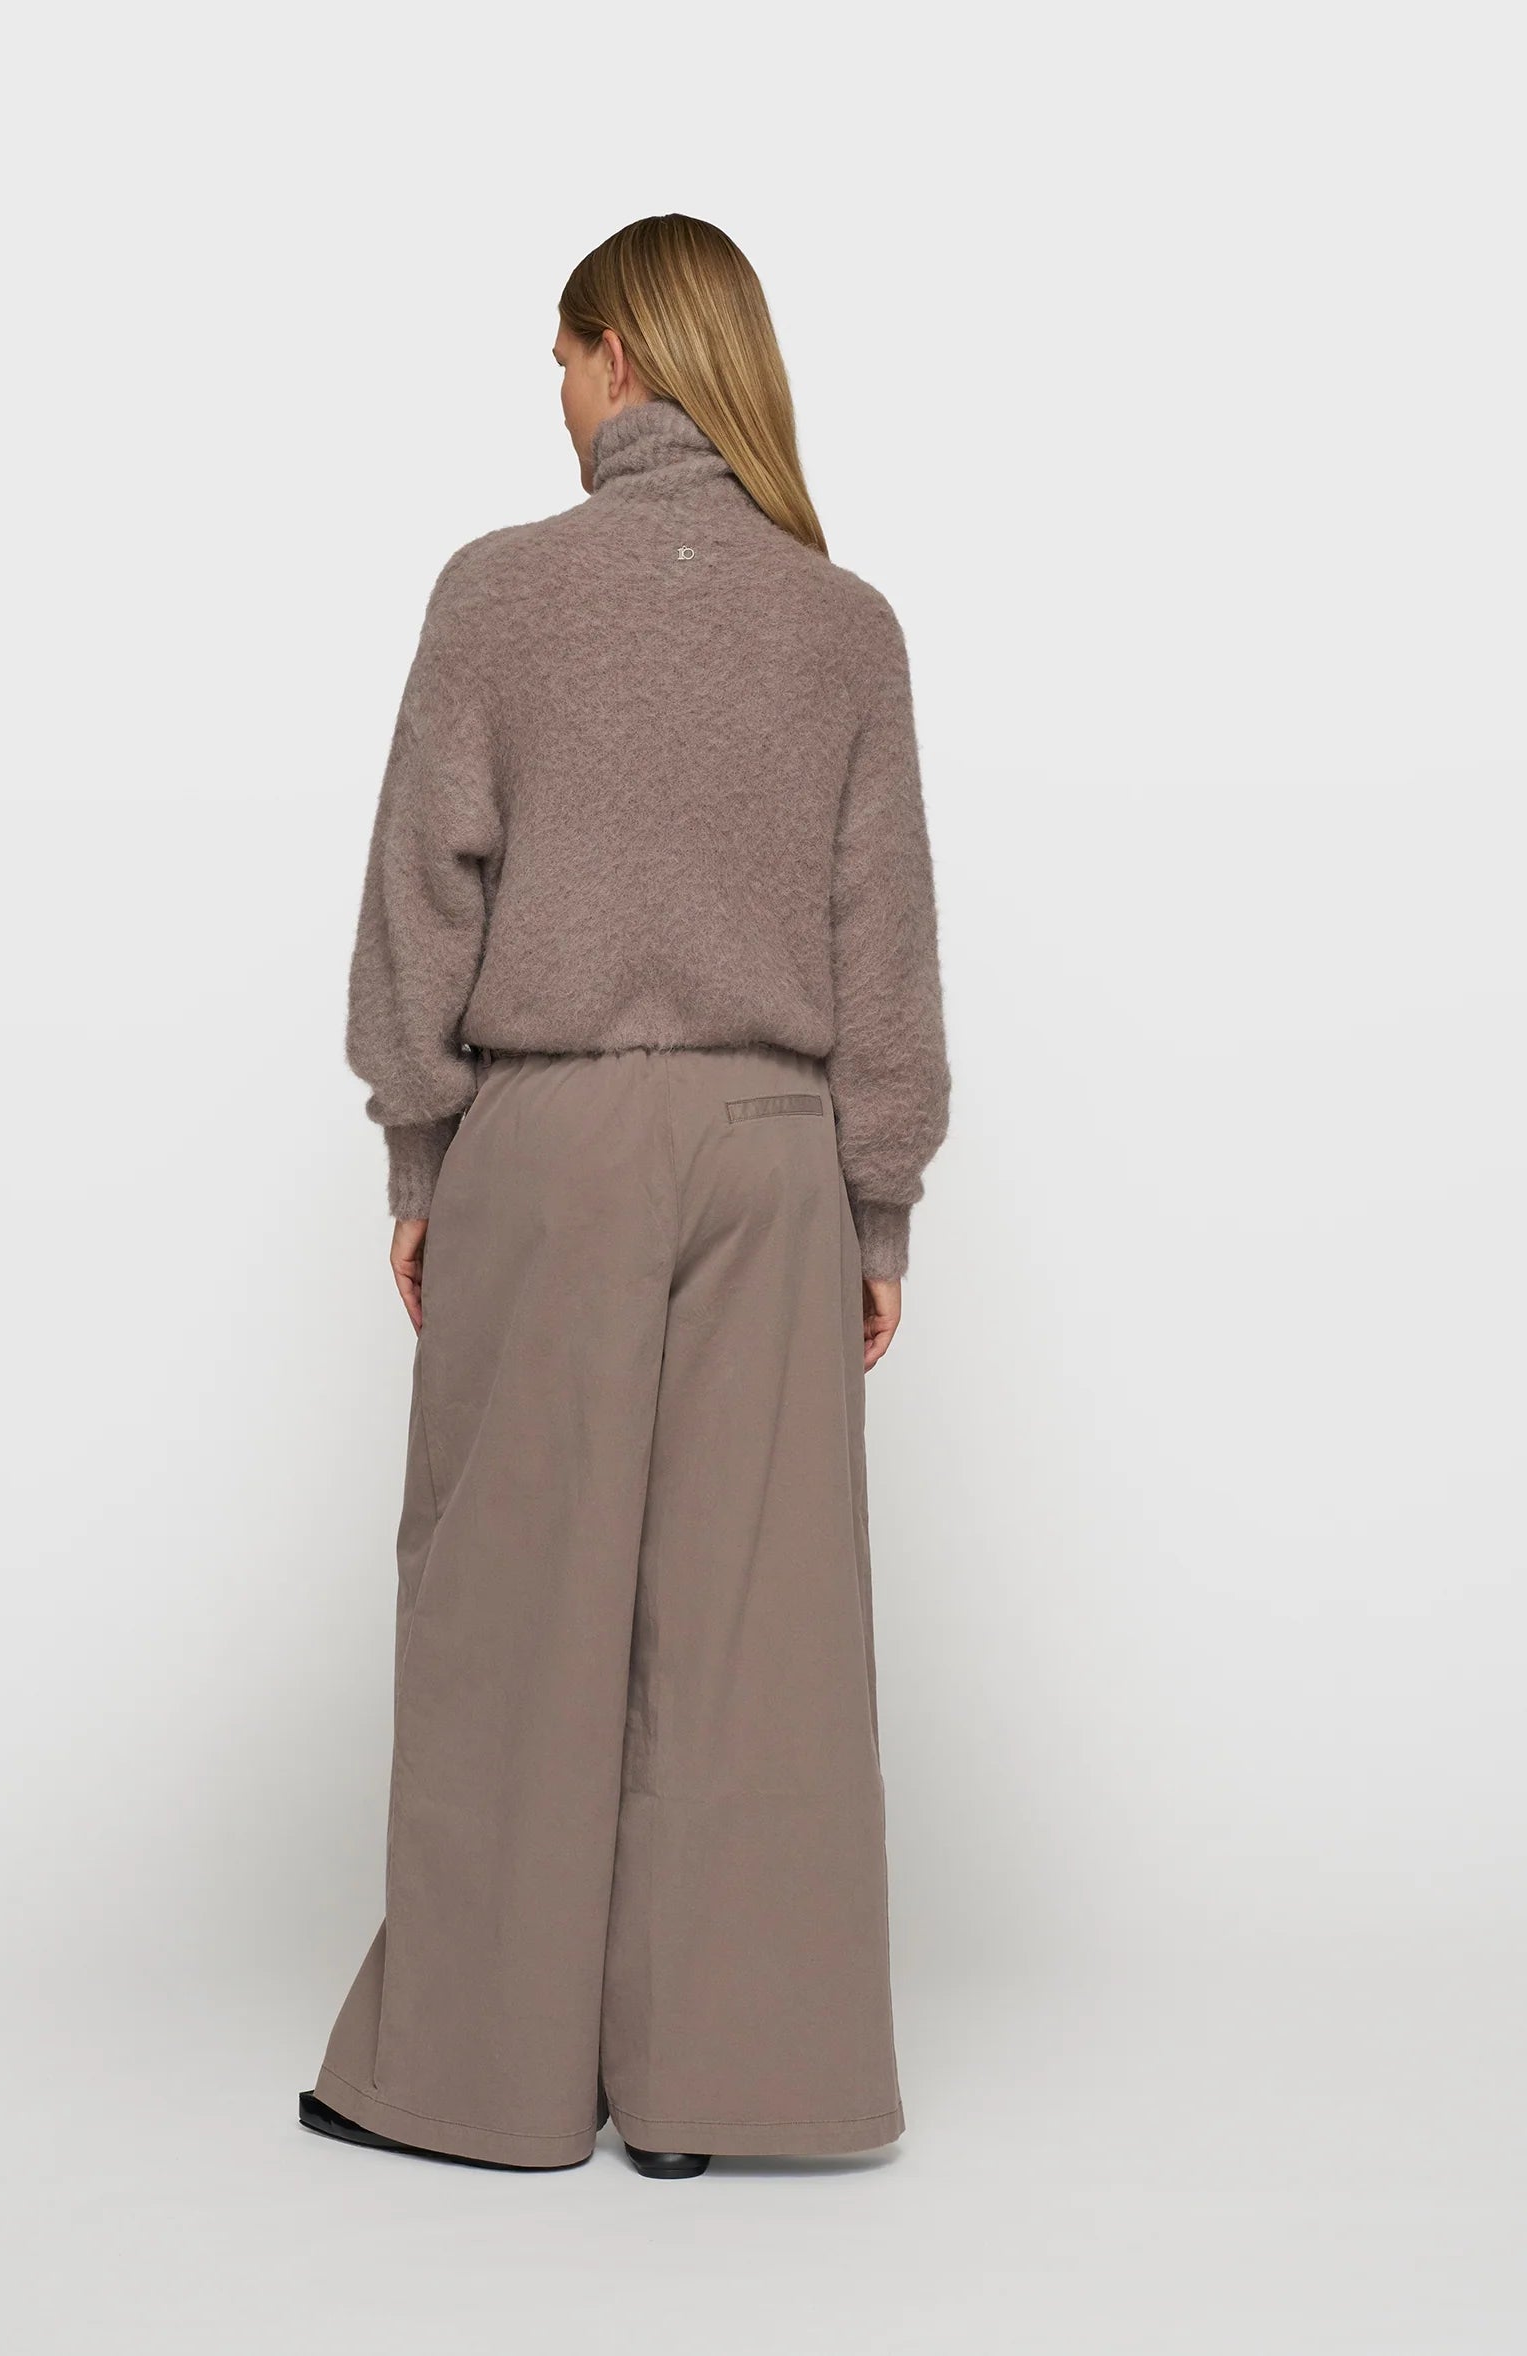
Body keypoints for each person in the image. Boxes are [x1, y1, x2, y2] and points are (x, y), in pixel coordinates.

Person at [300, 214, 949, 2180]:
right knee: (755, 1635)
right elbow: (882, 951)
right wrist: (875, 1206)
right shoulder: (842, 625)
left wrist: (422, 1150)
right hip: (771, 1154)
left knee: (512, 1598)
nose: (560, 399)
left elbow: (421, 901)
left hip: (553, 1143)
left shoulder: (499, 594)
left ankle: (481, 2080)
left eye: (563, 361)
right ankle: (730, 2087)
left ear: (617, 358)